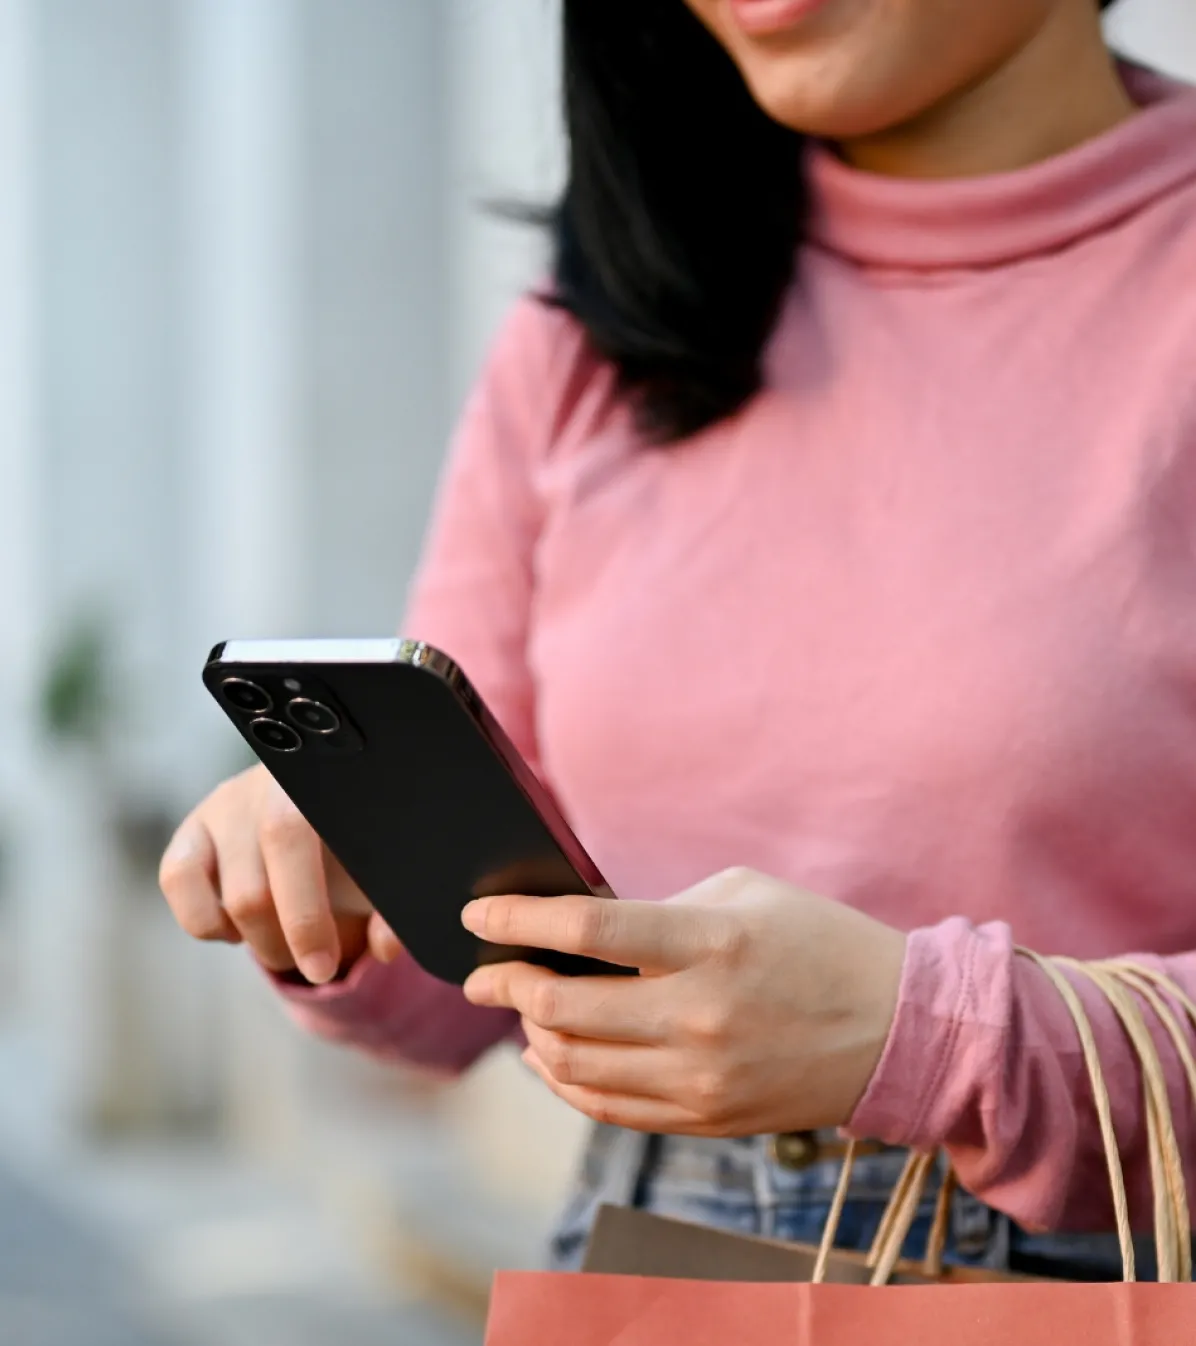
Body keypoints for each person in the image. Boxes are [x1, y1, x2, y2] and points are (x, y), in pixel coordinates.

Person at [160, 0, 1196, 1280]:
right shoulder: (590, 323)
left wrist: (924, 1040)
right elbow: (474, 976)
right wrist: (342, 877)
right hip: (658, 1254)